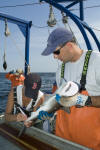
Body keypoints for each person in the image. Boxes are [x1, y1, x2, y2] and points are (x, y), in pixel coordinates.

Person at [39, 27, 100, 150]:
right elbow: (58, 100)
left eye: (56, 52)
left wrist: (83, 100)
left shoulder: (97, 61)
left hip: (91, 144)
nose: (54, 57)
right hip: (62, 140)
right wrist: (48, 110)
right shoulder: (59, 71)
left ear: (69, 45)